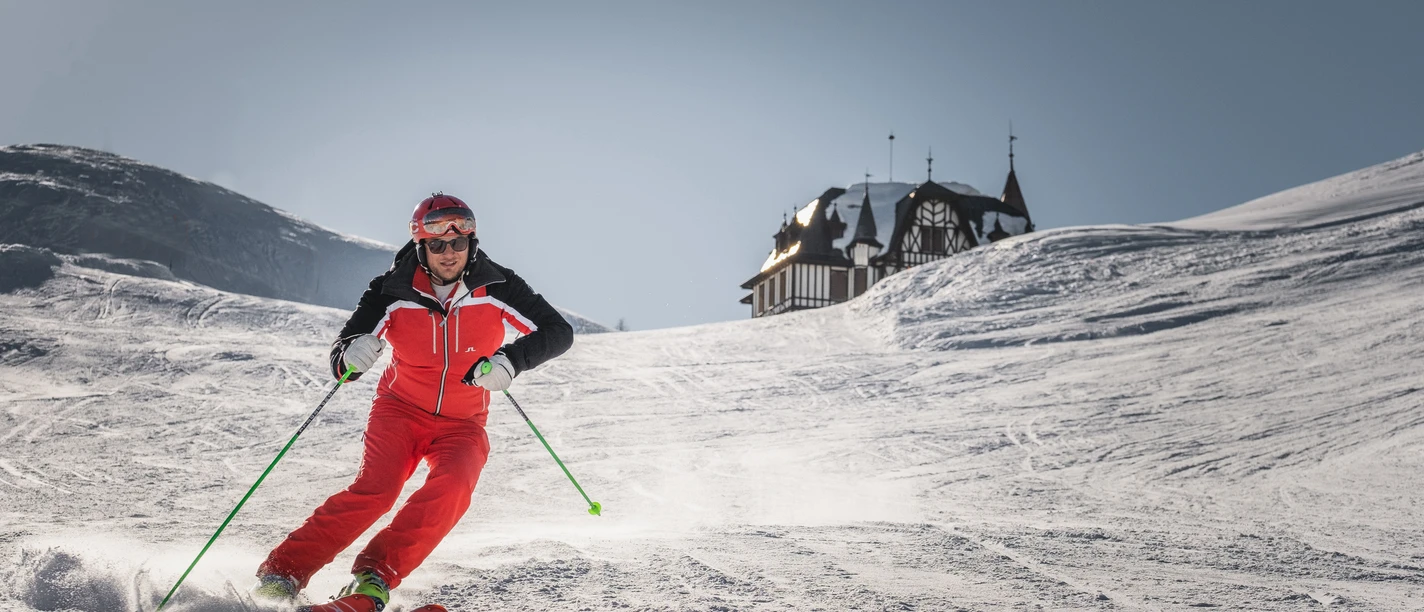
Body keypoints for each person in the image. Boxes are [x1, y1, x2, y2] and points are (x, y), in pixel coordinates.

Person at [251, 193, 574, 612]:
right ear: (421, 246)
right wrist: (350, 355)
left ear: (472, 242)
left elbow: (557, 330)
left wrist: (511, 360)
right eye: (437, 244)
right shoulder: (393, 289)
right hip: (400, 409)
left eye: (458, 243)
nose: (449, 253)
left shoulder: (498, 286)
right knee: (378, 490)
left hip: (463, 422)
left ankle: (374, 577)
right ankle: (284, 571)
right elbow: (342, 351)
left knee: (454, 487)